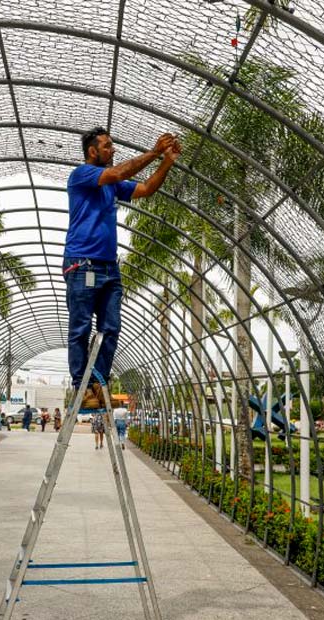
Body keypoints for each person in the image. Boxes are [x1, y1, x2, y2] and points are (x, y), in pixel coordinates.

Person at [65, 127, 181, 409]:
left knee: (111, 327)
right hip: (82, 264)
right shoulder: (82, 174)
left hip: (109, 268)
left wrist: (167, 162)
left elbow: (147, 189)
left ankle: (98, 383)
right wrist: (154, 152)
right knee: (81, 328)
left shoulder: (112, 186)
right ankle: (82, 387)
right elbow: (117, 173)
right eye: (107, 146)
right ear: (92, 151)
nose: (112, 149)